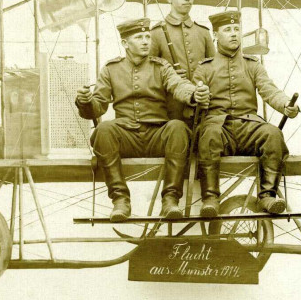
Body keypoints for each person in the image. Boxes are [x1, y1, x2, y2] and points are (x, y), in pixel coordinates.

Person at [76, 17, 211, 222]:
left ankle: (170, 200)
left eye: (147, 36)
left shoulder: (161, 67)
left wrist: (194, 94)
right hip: (126, 136)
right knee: (103, 129)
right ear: (125, 43)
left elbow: (178, 85)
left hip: (158, 134)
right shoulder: (111, 69)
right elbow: (97, 107)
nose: (146, 41)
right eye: (139, 37)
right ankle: (120, 200)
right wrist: (85, 101)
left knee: (178, 128)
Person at [193, 11, 300, 217]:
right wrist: (200, 96)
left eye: (236, 29)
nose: (234, 34)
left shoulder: (253, 65)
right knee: (208, 135)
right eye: (227, 30)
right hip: (219, 128)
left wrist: (286, 104)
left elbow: (269, 90)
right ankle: (211, 199)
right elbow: (194, 96)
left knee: (273, 135)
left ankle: (267, 196)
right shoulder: (204, 69)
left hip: (249, 127)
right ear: (215, 35)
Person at [150, 0, 215, 122]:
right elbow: (147, 75)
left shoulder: (203, 32)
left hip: (201, 109)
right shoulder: (156, 33)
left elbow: (214, 71)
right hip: (170, 112)